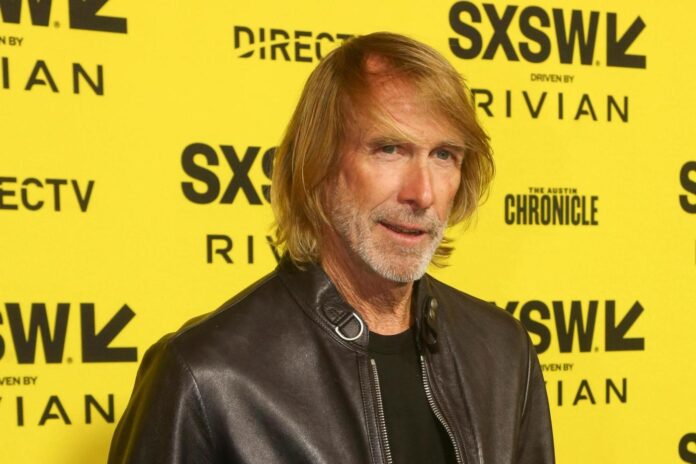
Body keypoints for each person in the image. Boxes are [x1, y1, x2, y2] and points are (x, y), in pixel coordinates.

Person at [109, 32, 554, 464]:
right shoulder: (206, 377)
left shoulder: (504, 353)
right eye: (389, 149)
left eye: (443, 155)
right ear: (317, 164)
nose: (422, 193)